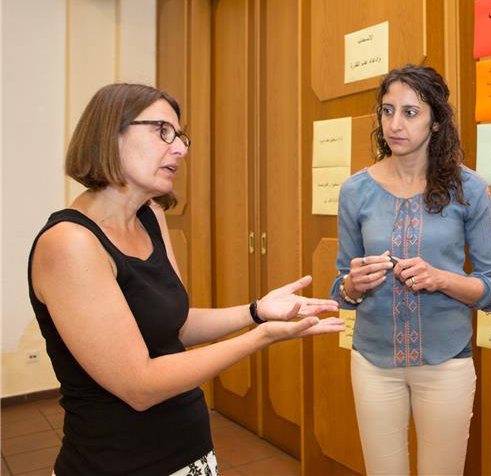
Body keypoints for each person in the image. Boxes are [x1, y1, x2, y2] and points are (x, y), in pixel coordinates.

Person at [28, 83, 344, 476]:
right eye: (162, 131)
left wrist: (257, 311)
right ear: (110, 133)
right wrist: (262, 337)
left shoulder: (151, 217)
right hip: (119, 464)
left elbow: (174, 324)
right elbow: (139, 385)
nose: (179, 148)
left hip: (189, 451)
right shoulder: (69, 244)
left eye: (179, 136)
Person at [331, 64, 491, 475]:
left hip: (447, 364)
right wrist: (352, 285)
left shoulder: (469, 189)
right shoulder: (355, 190)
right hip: (373, 363)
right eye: (387, 110)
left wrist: (440, 278)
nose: (395, 123)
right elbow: (340, 289)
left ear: (436, 121)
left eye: (410, 112)